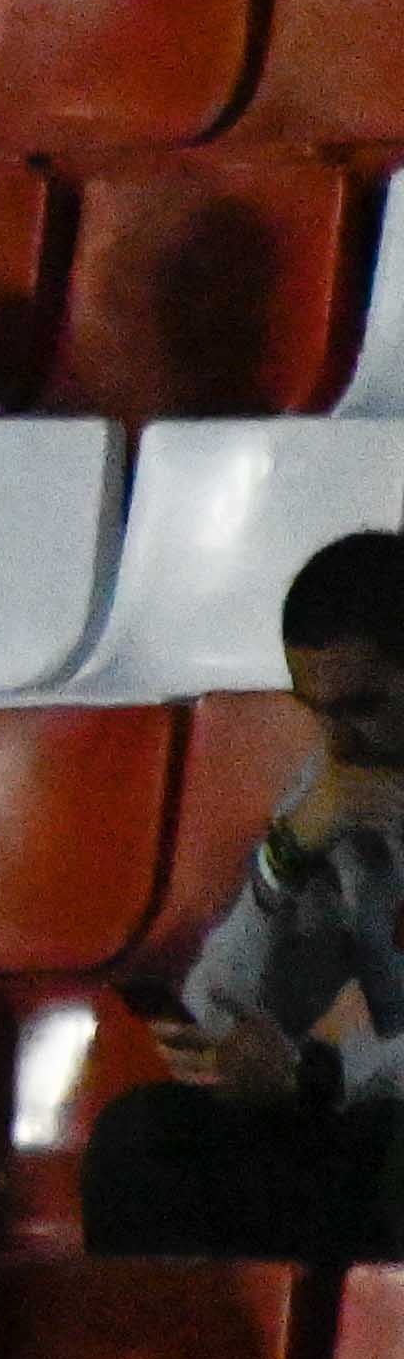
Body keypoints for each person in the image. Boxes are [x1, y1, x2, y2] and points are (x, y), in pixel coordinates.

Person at [80, 528, 404, 1253]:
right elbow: (221, 1006)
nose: (336, 740)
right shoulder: (335, 799)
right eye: (316, 710)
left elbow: (325, 1078)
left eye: (362, 706)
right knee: (144, 1143)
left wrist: (315, 1077)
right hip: (375, 1114)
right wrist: (283, 860)